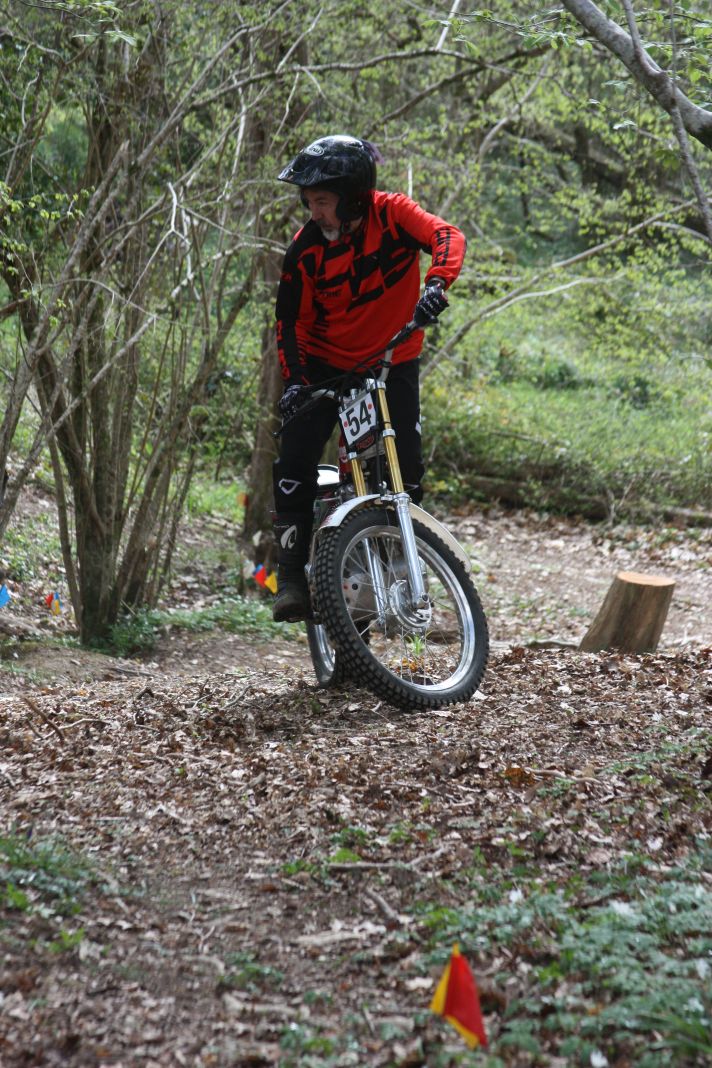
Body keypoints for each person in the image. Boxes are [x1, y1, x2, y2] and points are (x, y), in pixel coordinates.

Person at [272, 133, 466, 623]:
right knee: (294, 458)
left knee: (406, 470)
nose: (314, 212)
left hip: (390, 360)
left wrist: (437, 283)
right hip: (325, 367)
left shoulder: (393, 214)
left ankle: (399, 565)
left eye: (322, 201)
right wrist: (295, 382)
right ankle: (290, 576)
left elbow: (447, 236)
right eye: (309, 202)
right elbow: (289, 322)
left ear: (353, 196)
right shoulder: (305, 250)